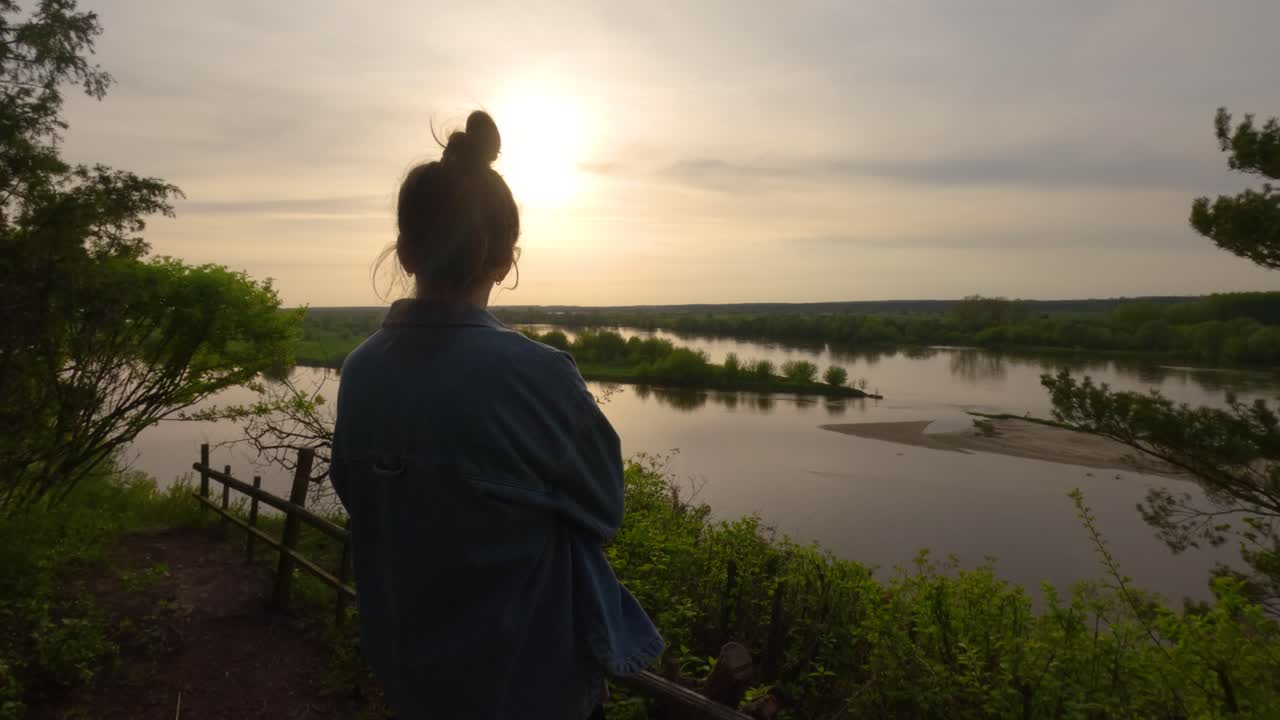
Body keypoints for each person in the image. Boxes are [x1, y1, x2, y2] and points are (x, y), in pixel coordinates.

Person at [330, 111, 663, 720]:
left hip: (412, 678)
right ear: (506, 258)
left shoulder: (360, 370)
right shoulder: (537, 374)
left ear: (405, 253)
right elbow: (604, 509)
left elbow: (362, 501)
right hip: (527, 685)